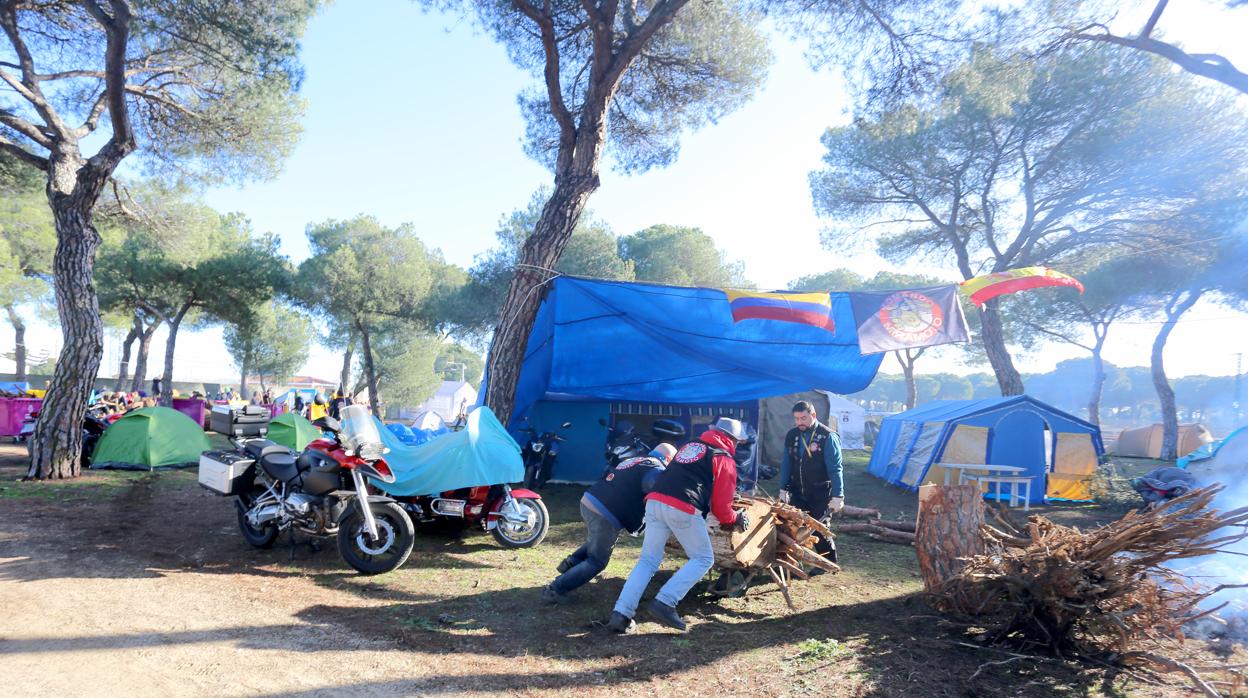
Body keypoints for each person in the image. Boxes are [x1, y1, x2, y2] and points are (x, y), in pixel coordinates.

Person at [607, 417, 750, 634]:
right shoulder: (723, 458)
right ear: (732, 440)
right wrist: (735, 518)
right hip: (683, 506)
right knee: (703, 559)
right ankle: (665, 601)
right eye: (738, 442)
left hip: (655, 501)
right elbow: (722, 508)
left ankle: (621, 614)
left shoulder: (690, 446)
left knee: (647, 560)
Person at [542, 443, 678, 605]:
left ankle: (570, 564)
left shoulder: (636, 460)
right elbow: (651, 484)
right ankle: (555, 589)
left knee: (597, 541)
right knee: (598, 561)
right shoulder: (656, 468)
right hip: (605, 512)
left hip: (589, 500)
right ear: (668, 459)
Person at [778, 400, 843, 569]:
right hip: (798, 490)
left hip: (821, 491)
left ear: (813, 415)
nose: (800, 422)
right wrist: (783, 488)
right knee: (793, 527)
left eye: (803, 418)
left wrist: (838, 495)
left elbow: (836, 469)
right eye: (797, 419)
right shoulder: (792, 435)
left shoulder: (827, 436)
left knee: (819, 528)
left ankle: (828, 563)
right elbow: (786, 463)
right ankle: (794, 562)